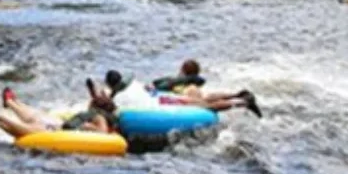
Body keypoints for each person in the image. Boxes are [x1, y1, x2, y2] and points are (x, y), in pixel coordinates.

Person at [111, 67, 262, 118]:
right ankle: (239, 97)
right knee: (205, 102)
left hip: (163, 106)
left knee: (205, 106)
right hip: (164, 100)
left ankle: (243, 102)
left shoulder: (120, 97)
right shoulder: (135, 85)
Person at [0, 86, 117, 138]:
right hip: (59, 128)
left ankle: (6, 110)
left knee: (34, 122)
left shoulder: (99, 117)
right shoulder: (98, 116)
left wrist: (87, 127)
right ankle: (3, 112)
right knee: (34, 121)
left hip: (58, 129)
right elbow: (103, 132)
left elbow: (101, 132)